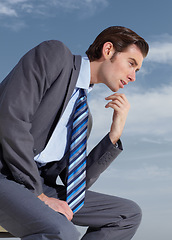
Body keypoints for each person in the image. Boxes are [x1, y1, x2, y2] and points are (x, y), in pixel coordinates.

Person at [0, 26, 149, 240]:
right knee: (62, 232)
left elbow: (76, 183)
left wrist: (113, 135)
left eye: (137, 70)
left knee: (127, 214)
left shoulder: (83, 119)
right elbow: (11, 119)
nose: (133, 76)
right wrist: (39, 195)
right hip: (6, 175)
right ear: (108, 50)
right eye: (131, 64)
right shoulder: (55, 56)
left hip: (37, 185)